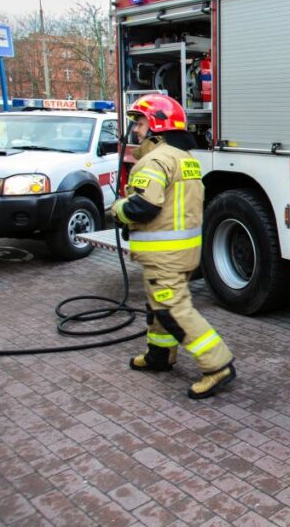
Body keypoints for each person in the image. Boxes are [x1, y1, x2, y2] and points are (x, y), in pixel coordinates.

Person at [112, 94, 236, 399]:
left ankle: (217, 365)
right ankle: (159, 356)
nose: (135, 131)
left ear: (156, 126)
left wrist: (117, 210)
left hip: (164, 255)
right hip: (182, 252)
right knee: (158, 306)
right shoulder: (185, 159)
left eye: (139, 123)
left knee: (171, 308)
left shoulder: (154, 160)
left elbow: (144, 207)